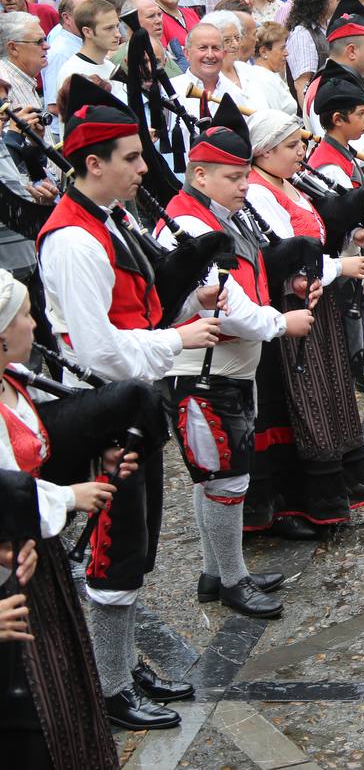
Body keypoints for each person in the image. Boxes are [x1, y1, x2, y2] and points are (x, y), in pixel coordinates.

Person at [37, 82, 224, 730]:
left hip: (139, 402)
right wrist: (178, 339)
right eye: (132, 157)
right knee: (114, 554)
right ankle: (110, 689)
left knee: (136, 549)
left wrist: (188, 302)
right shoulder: (72, 241)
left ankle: (115, 664)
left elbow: (135, 307)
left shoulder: (113, 218)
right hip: (104, 411)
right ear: (94, 163)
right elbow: (95, 350)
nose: (145, 169)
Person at [158, 95, 311, 620]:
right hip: (204, 370)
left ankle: (215, 571)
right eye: (232, 177)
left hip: (225, 366)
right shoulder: (191, 226)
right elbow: (227, 302)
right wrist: (279, 323)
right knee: (226, 478)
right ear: (199, 175)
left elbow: (248, 275)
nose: (245, 186)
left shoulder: (219, 214)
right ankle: (232, 580)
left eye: (246, 175)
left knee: (217, 476)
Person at [0, 270, 126, 768]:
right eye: (25, 315)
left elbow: (33, 464)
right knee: (31, 716)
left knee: (64, 693)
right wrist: (71, 498)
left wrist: (97, 468)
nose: (36, 324)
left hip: (37, 562)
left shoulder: (13, 383)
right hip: (12, 576)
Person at [242, 107, 364, 538]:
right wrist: (340, 267)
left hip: (315, 302)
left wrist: (347, 244)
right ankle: (295, 503)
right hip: (290, 304)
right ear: (263, 152)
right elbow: (285, 255)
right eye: (292, 146)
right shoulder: (259, 192)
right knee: (299, 402)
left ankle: (333, 491)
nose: (303, 152)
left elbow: (312, 242)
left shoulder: (286, 182)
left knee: (326, 392)